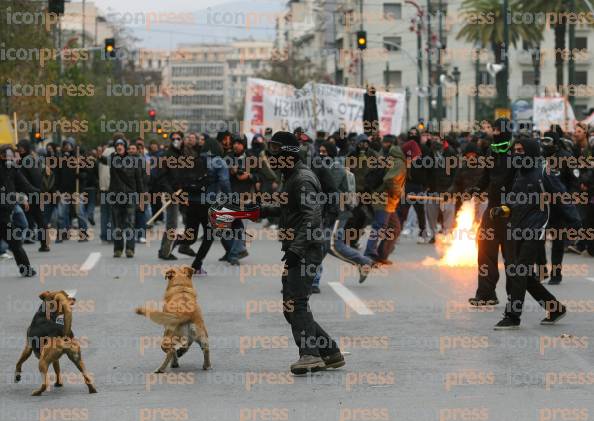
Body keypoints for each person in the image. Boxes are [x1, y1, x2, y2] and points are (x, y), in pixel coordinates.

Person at [260, 131, 344, 375]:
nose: (271, 156)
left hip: (306, 247)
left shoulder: (302, 178)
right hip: (300, 247)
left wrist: (296, 250)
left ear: (288, 153)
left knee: (297, 303)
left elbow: (312, 216)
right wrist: (251, 211)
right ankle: (329, 351)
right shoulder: (292, 176)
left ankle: (310, 355)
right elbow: (284, 208)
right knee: (291, 305)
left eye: (276, 150)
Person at [491, 136, 579, 329]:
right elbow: (514, 201)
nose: (517, 154)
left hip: (536, 228)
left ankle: (512, 316)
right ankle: (554, 308)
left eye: (521, 151)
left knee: (519, 270)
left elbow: (562, 197)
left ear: (531, 152)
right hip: (517, 227)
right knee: (523, 274)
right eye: (515, 150)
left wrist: (575, 223)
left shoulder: (543, 172)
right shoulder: (519, 173)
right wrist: (503, 209)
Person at [466, 118, 516, 306]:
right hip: (491, 209)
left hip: (510, 212)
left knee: (511, 257)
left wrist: (510, 205)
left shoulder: (516, 154)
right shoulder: (491, 151)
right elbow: (486, 177)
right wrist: (477, 188)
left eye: (497, 130)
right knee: (485, 250)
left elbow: (521, 185)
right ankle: (486, 293)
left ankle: (514, 297)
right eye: (493, 129)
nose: (494, 133)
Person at [100, 138, 145, 258]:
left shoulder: (134, 161)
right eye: (117, 145)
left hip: (130, 196)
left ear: (125, 147)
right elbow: (102, 159)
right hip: (115, 196)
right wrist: (102, 152)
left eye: (121, 145)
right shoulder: (113, 159)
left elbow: (139, 180)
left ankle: (130, 249)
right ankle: (118, 249)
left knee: (130, 223)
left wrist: (141, 198)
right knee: (117, 224)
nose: (119, 147)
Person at [0, 145, 37, 276]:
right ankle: (26, 269)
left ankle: (25, 269)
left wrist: (38, 193)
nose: (10, 158)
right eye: (7, 156)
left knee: (15, 241)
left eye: (11, 156)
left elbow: (24, 185)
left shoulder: (13, 170)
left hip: (5, 212)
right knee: (15, 242)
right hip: (3, 213)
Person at [16, 139, 50, 251]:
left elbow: (35, 177)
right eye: (18, 147)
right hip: (30, 193)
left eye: (21, 147)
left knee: (38, 219)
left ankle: (44, 243)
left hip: (33, 194)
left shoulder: (27, 160)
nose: (19, 149)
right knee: (34, 219)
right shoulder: (28, 159)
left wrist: (36, 191)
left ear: (26, 147)